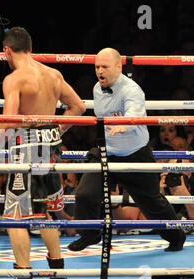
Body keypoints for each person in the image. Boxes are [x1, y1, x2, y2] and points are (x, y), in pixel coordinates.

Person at [0, 27, 86, 279]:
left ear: (7, 50)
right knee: (45, 213)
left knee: (14, 217)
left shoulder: (15, 79)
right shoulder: (53, 74)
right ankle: (58, 276)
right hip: (51, 147)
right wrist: (54, 133)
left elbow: (8, 122)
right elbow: (78, 107)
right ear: (29, 47)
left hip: (25, 151)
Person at [68, 48, 186, 252]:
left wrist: (125, 124)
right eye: (97, 67)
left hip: (135, 155)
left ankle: (176, 237)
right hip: (108, 152)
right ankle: (90, 233)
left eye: (104, 66)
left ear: (118, 67)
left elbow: (135, 112)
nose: (99, 71)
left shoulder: (132, 90)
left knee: (152, 203)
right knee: (85, 195)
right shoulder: (97, 88)